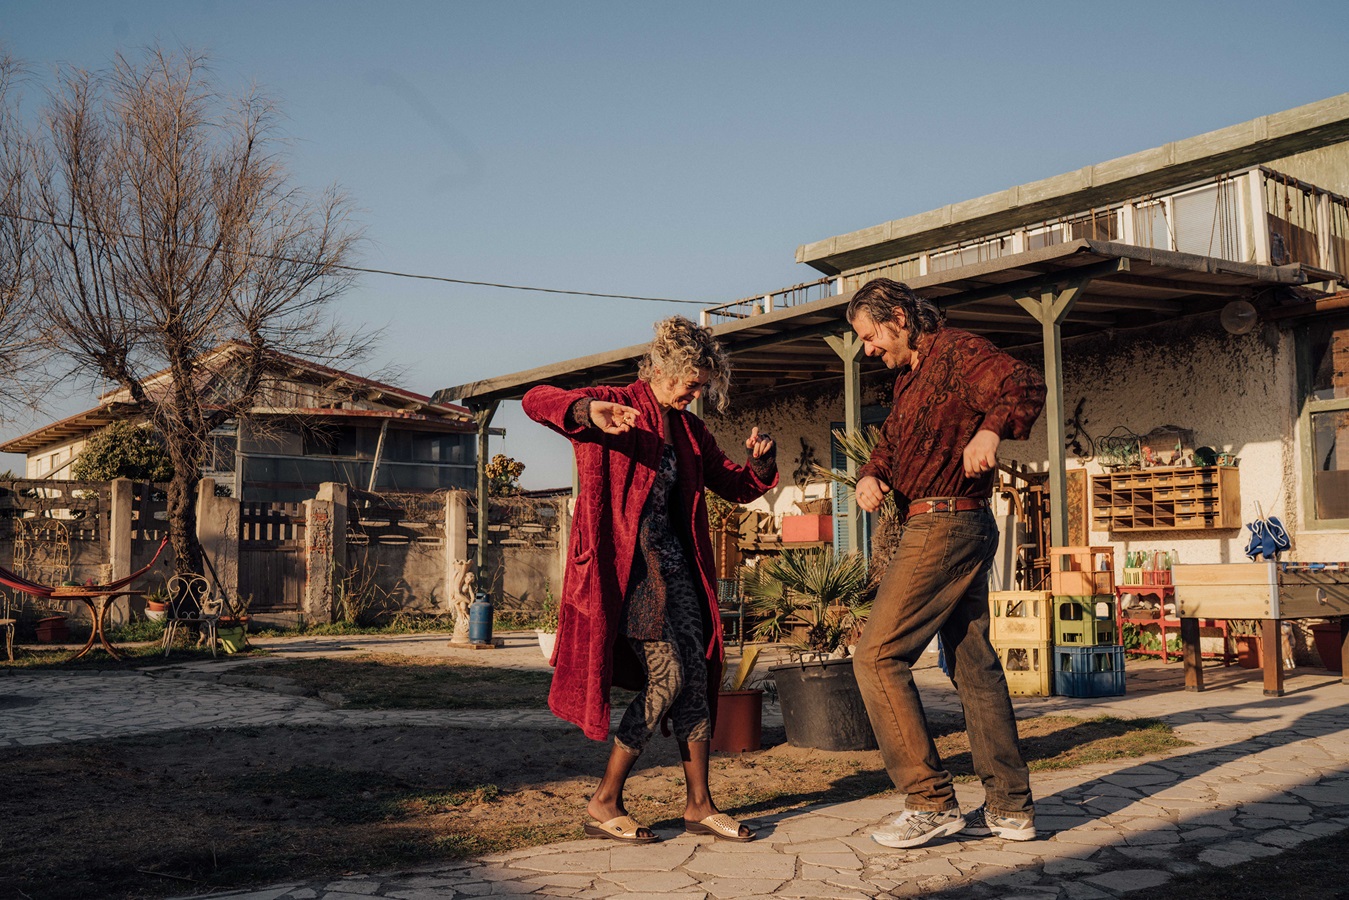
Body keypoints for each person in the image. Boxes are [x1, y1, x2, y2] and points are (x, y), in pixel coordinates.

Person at [522, 316, 777, 844]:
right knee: (668, 678)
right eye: (692, 382)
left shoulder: (690, 429)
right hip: (628, 573)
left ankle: (700, 805)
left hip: (680, 571)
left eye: (704, 384)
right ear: (662, 368)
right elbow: (535, 399)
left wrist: (762, 464)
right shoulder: (612, 399)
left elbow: (734, 484)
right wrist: (586, 411)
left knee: (698, 678)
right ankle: (605, 798)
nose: (697, 392)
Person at [845, 278, 1046, 849]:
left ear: (899, 320)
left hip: (944, 524)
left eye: (869, 336)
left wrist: (989, 429)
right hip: (944, 522)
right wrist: (870, 474)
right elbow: (889, 444)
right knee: (973, 665)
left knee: (878, 656)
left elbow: (1023, 383)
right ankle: (1010, 808)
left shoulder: (957, 351)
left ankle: (929, 801)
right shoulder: (910, 381)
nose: (868, 350)